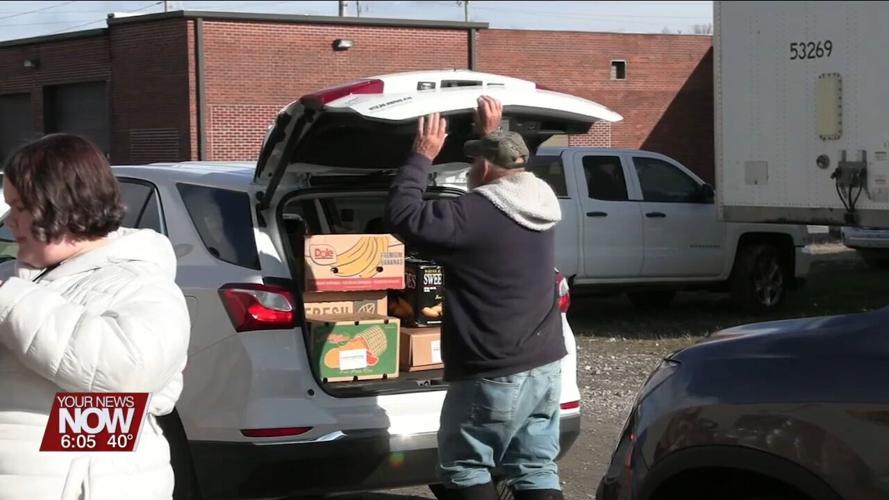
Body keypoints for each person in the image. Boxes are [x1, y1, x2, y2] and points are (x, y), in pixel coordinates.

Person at [385, 97, 566, 500]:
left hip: (492, 369)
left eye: (472, 165)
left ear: (482, 167)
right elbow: (510, 166)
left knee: (465, 467)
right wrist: (492, 135)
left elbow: (401, 216)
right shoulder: (539, 197)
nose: (469, 172)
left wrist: (421, 156)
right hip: (545, 365)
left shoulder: (471, 214)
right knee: (535, 467)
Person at [0, 134, 190, 499]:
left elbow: (128, 371)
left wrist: (8, 300)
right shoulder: (19, 278)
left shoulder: (140, 281)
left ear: (64, 204)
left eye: (21, 206)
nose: (10, 220)